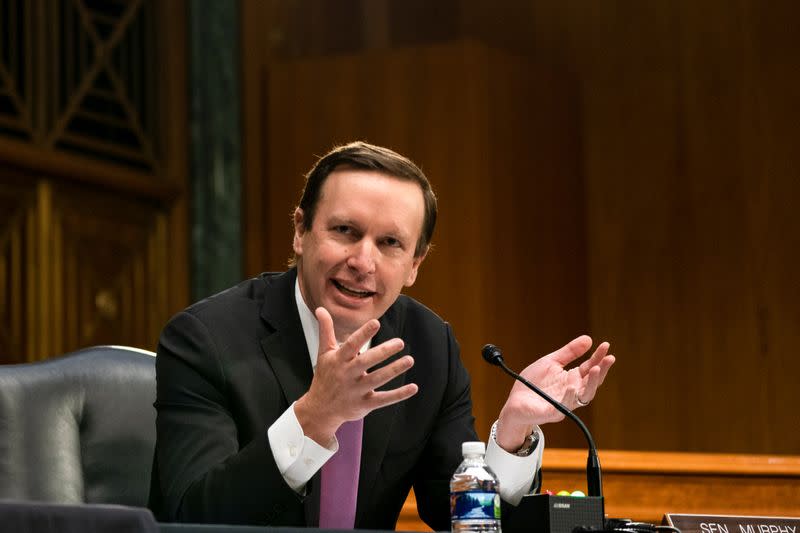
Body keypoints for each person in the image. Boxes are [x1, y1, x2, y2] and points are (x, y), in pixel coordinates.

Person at [149, 141, 615, 529]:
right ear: (300, 231)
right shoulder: (206, 339)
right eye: (345, 230)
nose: (363, 262)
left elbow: (454, 518)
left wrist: (512, 434)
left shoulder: (430, 347)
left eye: (390, 243)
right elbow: (190, 517)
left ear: (415, 265)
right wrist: (313, 418)